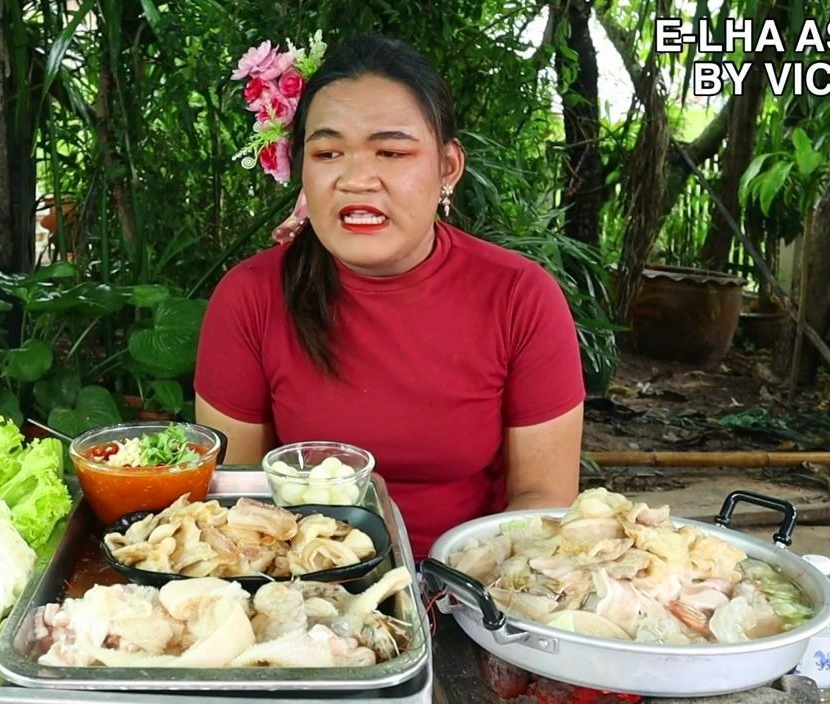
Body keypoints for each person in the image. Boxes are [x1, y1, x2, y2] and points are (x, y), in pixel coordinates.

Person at [194, 33, 585, 559]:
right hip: (299, 593)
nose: (357, 179)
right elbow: (238, 500)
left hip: (473, 593)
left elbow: (543, 499)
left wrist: (472, 593)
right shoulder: (250, 298)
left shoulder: (520, 297)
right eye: (329, 152)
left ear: (447, 167)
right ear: (301, 169)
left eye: (392, 151)